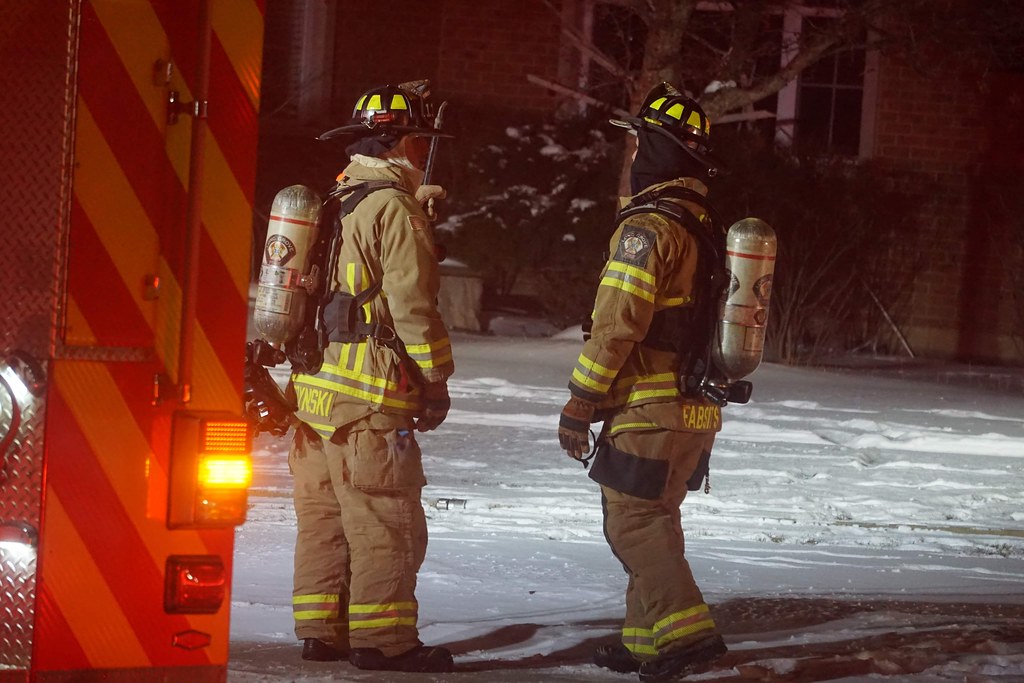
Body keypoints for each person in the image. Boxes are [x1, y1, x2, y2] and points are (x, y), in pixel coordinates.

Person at [557, 82, 730, 682]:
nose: (631, 157)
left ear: (654, 150)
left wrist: (580, 402)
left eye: (637, 144)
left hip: (650, 404)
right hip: (694, 411)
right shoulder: (705, 224)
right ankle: (645, 641)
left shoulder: (649, 228)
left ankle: (689, 637)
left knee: (632, 521)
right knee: (656, 517)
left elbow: (616, 326)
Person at [286, 80, 455, 674]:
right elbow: (411, 305)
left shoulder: (336, 197)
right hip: (371, 398)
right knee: (384, 519)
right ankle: (385, 643)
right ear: (407, 142)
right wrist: (435, 379)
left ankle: (321, 631)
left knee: (325, 518)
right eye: (420, 140)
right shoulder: (393, 207)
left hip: (312, 394)